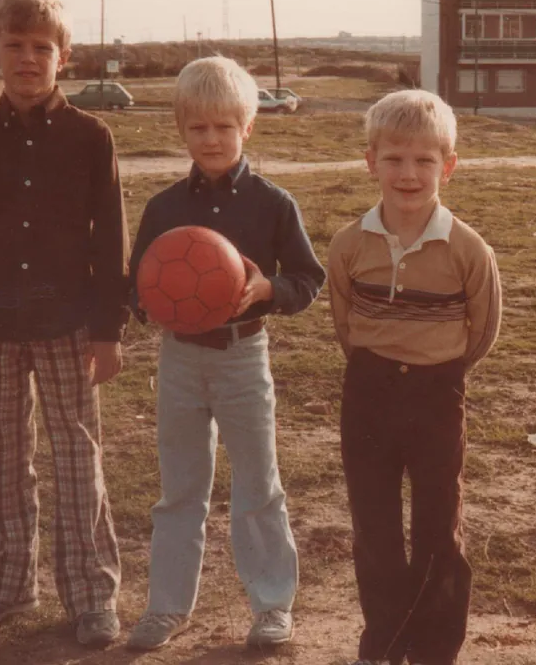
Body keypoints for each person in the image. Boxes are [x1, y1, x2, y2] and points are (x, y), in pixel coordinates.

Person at [0, 0, 128, 647]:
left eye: (41, 48)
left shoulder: (90, 138)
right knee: (5, 457)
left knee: (78, 458)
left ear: (64, 58)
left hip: (69, 324)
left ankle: (92, 595)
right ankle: (5, 583)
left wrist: (108, 331)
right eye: (14, 46)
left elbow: (111, 244)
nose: (27, 58)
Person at [124, 56, 325, 651]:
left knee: (258, 483)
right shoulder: (163, 208)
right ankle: (166, 608)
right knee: (180, 487)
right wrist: (146, 304)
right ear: (182, 129)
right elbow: (135, 282)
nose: (211, 140)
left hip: (243, 357)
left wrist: (268, 291)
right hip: (180, 360)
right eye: (198, 128)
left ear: (248, 127)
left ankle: (270, 606)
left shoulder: (272, 203)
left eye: (224, 127)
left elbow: (308, 279)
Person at [327, 89, 502, 665]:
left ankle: (433, 651)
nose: (408, 173)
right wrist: (384, 367)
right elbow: (345, 323)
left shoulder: (468, 249)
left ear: (447, 168)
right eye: (394, 158)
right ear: (370, 161)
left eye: (424, 160)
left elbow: (482, 331)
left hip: (436, 395)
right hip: (369, 396)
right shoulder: (349, 245)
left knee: (436, 535)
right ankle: (384, 645)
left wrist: (436, 368)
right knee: (374, 533)